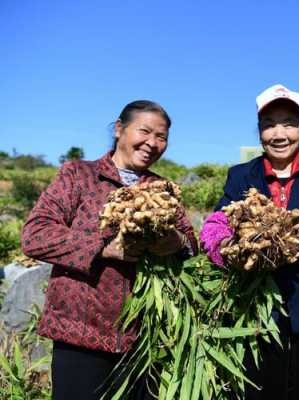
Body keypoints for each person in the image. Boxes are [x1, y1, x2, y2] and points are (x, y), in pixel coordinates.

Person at [22, 100, 197, 400]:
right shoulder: (79, 175)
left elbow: (192, 246)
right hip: (79, 337)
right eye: (145, 131)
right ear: (119, 129)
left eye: (162, 137)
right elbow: (35, 235)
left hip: (143, 344)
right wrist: (103, 248)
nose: (152, 143)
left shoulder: (164, 190)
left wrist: (177, 243)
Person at [200, 84, 299, 400]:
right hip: (255, 315)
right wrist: (228, 251)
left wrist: (283, 245)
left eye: (288, 123)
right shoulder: (241, 175)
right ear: (259, 130)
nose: (279, 133)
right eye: (269, 124)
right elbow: (216, 223)